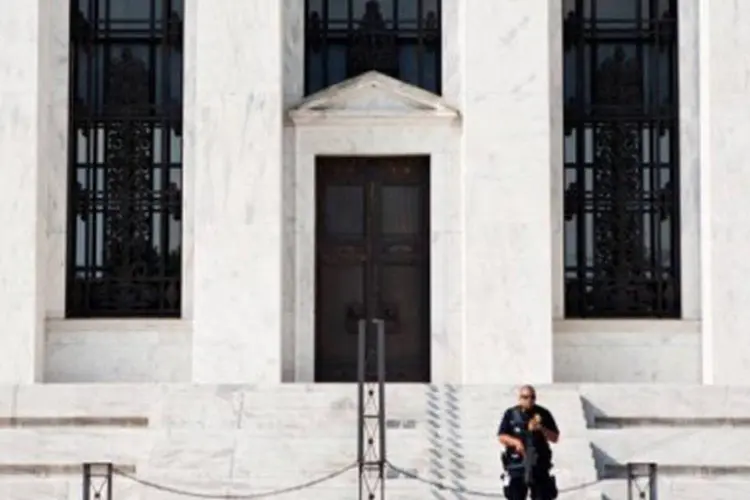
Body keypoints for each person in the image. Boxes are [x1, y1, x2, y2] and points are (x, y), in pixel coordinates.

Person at [497, 385, 560, 500]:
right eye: (525, 397)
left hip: (538, 465)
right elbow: (501, 436)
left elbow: (555, 437)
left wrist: (541, 428)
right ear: (520, 398)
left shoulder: (543, 413)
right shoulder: (511, 414)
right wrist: (515, 442)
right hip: (517, 465)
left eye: (532, 397)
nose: (529, 400)